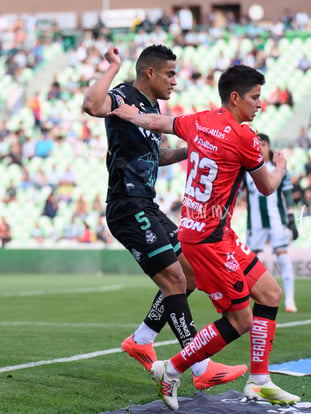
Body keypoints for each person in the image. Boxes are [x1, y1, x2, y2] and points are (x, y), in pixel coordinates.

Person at [110, 64, 300, 410]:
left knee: (270, 294)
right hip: (210, 240)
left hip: (211, 232)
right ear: (235, 97)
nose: (260, 104)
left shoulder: (198, 120)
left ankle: (259, 380)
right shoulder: (246, 138)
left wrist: (126, 113)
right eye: (255, 97)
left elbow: (157, 122)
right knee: (241, 320)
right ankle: (173, 368)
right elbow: (268, 186)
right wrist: (282, 165)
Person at [82, 45, 245, 391]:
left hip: (147, 204)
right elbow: (92, 105)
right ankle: (199, 365)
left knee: (191, 273)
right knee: (173, 280)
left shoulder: (153, 109)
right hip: (127, 206)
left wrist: (194, 148)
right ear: (150, 73)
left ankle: (141, 339)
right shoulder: (123, 95)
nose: (175, 81)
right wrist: (114, 67)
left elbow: (157, 155)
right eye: (170, 74)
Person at [244, 133, 299, 313]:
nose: (260, 147)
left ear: (269, 146)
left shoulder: (278, 168)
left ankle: (290, 300)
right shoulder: (246, 168)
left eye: (264, 144)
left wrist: (291, 219)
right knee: (251, 260)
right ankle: (248, 298)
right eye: (257, 143)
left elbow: (288, 194)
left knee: (283, 256)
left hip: (276, 220)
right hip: (255, 223)